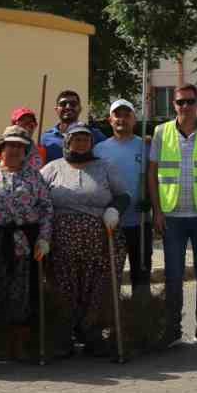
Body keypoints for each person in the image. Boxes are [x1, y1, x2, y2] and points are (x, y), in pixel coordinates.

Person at [42, 123, 130, 356]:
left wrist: (114, 210)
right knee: (62, 287)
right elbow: (38, 198)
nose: (81, 143)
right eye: (76, 139)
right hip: (61, 242)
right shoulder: (52, 168)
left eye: (85, 139)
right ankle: (64, 337)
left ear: (91, 143)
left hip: (100, 239)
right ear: (67, 142)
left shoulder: (105, 167)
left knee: (98, 288)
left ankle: (92, 334)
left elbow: (123, 195)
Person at [148, 84, 197, 347]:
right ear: (174, 105)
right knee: (173, 276)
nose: (185, 107)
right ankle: (172, 329)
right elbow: (152, 173)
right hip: (171, 216)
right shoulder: (161, 132)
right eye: (180, 102)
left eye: (190, 102)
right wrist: (157, 211)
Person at [0, 126, 55, 362]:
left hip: (23, 244)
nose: (15, 149)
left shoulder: (34, 177)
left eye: (20, 146)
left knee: (21, 293)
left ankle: (16, 346)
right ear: (1, 148)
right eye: (11, 145)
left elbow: (47, 209)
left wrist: (44, 239)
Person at [95, 99, 150, 296]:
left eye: (127, 115)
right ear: (110, 120)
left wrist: (150, 199)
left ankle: (142, 317)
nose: (122, 119)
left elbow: (153, 177)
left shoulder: (145, 146)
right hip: (110, 224)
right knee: (109, 276)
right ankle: (112, 319)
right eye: (117, 115)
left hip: (140, 222)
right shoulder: (100, 150)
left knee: (141, 274)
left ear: (134, 119)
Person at [41, 90, 83, 164]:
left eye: (73, 104)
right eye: (63, 104)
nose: (68, 107)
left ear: (80, 109)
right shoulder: (45, 138)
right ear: (56, 109)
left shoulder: (94, 134)